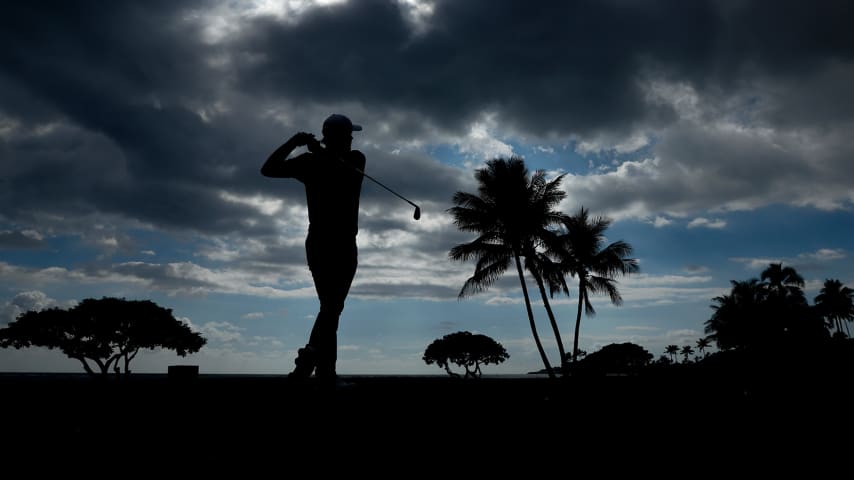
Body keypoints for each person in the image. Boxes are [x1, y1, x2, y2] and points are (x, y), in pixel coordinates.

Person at [261, 114, 365, 383]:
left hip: (330, 243)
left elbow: (340, 170)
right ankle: (310, 362)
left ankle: (324, 372)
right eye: (349, 135)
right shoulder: (312, 161)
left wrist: (311, 148)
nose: (353, 139)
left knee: (331, 308)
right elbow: (268, 169)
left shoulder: (354, 160)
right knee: (331, 308)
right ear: (341, 137)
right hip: (331, 244)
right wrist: (293, 142)